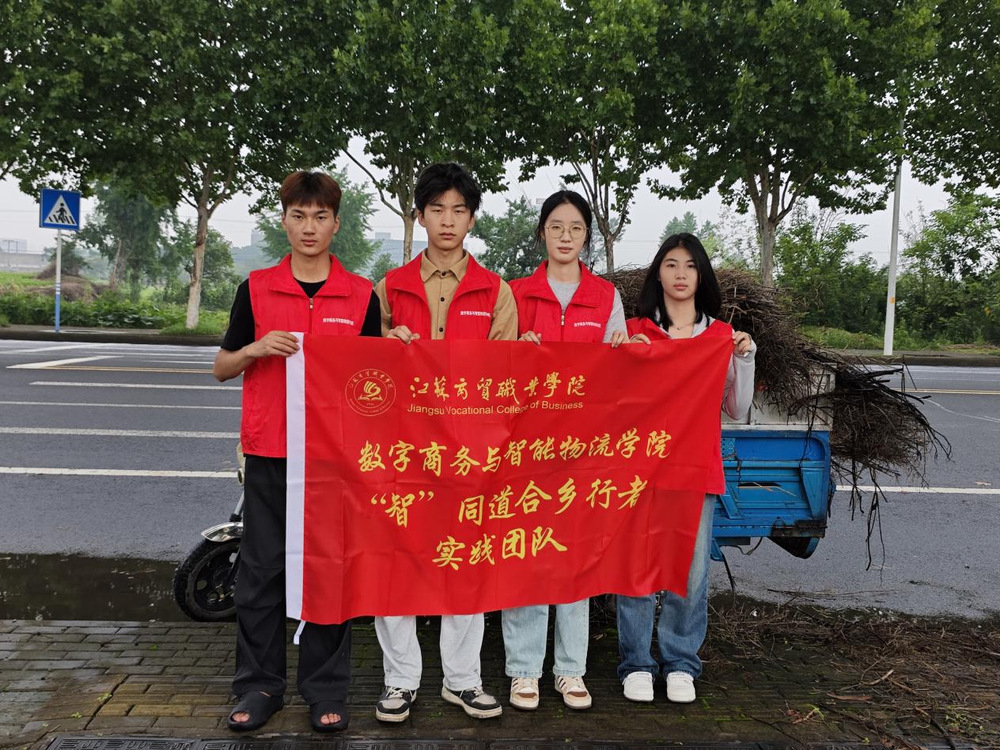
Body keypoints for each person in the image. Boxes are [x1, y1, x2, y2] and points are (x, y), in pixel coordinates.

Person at [213, 170, 381, 733]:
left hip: (334, 459)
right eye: (299, 216)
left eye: (320, 217)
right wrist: (256, 348)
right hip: (270, 452)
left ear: (336, 224)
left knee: (329, 571)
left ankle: (325, 688)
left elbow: (376, 383)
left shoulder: (360, 296)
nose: (309, 227)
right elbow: (221, 367)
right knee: (260, 572)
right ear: (284, 221)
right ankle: (259, 685)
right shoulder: (257, 289)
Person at [371, 162, 517, 722]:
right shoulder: (389, 287)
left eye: (459, 210)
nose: (448, 220)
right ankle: (400, 680)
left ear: (472, 218)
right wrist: (385, 341)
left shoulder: (495, 291)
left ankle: (462, 680)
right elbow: (361, 370)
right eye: (437, 209)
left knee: (466, 564)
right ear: (420, 216)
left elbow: (507, 378)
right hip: (402, 450)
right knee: (397, 561)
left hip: (468, 452)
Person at [501, 190, 628, 711]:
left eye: (576, 228)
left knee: (575, 558)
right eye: (556, 226)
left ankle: (571, 670)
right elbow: (491, 371)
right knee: (526, 556)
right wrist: (514, 353)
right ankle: (523, 670)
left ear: (586, 236)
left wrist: (625, 351)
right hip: (526, 449)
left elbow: (622, 374)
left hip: (583, 448)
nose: (566, 236)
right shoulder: (515, 293)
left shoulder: (605, 296)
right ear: (542, 233)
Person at [616, 232, 756, 705]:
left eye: (690, 265)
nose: (680, 274)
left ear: (702, 276)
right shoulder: (634, 331)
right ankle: (636, 662)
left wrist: (745, 358)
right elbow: (609, 401)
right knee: (635, 569)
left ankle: (680, 662)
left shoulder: (719, 338)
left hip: (695, 471)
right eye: (671, 264)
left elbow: (737, 409)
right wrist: (619, 356)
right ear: (658, 273)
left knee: (691, 575)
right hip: (638, 472)